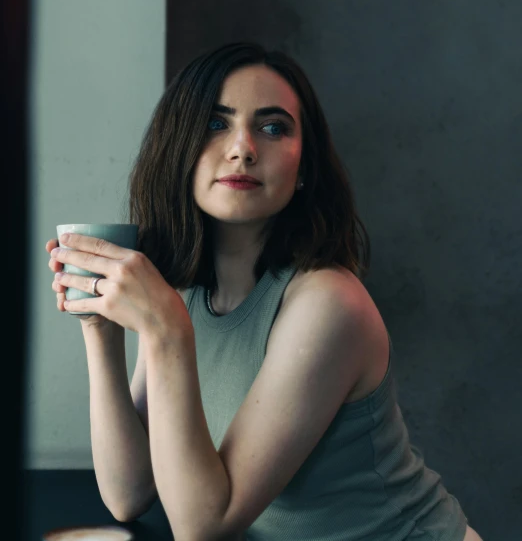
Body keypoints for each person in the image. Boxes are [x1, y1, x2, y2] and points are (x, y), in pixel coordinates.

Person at [47, 41, 484, 541]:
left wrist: (165, 329)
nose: (243, 148)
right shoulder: (184, 293)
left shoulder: (328, 305)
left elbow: (203, 524)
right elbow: (129, 494)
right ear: (179, 150)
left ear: (304, 170)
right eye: (216, 123)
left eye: (273, 127)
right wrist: (99, 328)